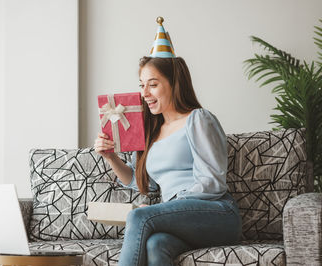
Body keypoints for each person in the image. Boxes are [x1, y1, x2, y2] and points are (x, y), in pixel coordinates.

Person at [94, 17, 242, 266]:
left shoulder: (198, 119)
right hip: (181, 219)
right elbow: (142, 184)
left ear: (174, 84)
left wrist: (167, 208)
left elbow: (213, 183)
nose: (145, 94)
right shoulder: (151, 132)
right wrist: (110, 157)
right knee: (156, 244)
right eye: (142, 86)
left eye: (153, 85)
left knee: (139, 217)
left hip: (217, 215)